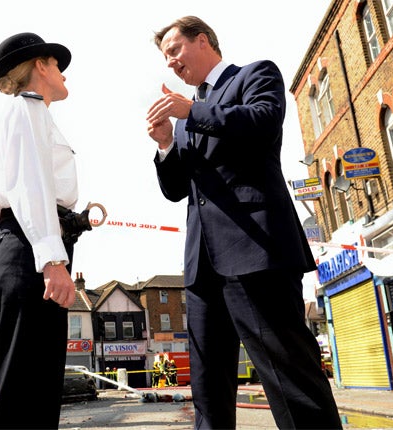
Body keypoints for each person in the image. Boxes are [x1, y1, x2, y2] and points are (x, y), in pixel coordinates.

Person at [146, 16, 342, 429]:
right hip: (203, 269)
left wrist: (192, 111)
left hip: (257, 254)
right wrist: (166, 144)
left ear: (203, 41)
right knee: (208, 393)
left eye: (175, 51)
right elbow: (177, 189)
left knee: (292, 382)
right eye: (165, 59)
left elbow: (262, 122)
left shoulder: (255, 76)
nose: (171, 64)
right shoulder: (186, 118)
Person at [0, 32, 79, 429]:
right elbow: (30, 186)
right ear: (41, 65)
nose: (63, 73)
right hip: (29, 254)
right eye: (57, 64)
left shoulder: (28, 114)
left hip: (21, 248)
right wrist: (52, 259)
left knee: (33, 398)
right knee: (26, 402)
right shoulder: (27, 109)